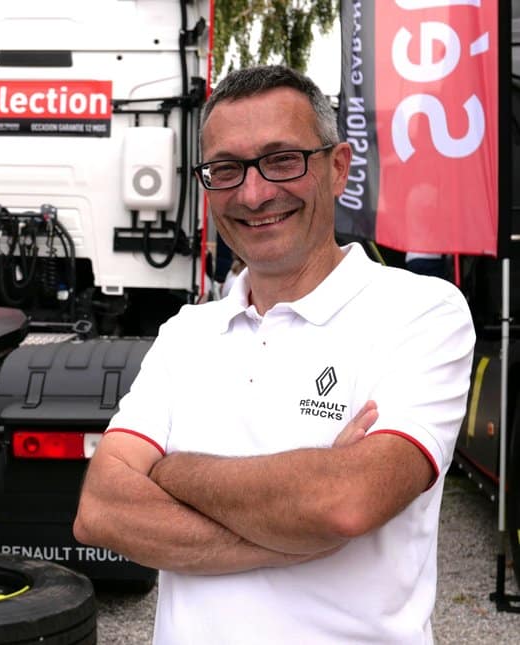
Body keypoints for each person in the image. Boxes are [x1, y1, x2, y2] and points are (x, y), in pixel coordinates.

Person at [73, 65, 476, 644]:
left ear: (337, 168)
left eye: (282, 160)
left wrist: (170, 471)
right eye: (226, 169)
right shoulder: (187, 332)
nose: (254, 193)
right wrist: (297, 534)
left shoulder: (422, 312)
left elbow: (346, 502)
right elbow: (100, 511)